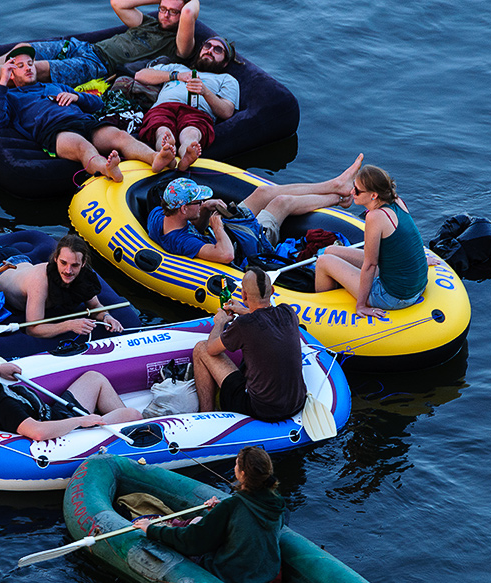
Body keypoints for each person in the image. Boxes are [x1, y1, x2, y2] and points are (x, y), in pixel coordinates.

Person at [0, 45, 176, 181]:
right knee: (83, 147)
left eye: (30, 63)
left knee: (120, 136)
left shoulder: (55, 85)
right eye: (20, 66)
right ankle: (107, 169)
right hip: (54, 131)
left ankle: (156, 158)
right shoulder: (10, 96)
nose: (28, 68)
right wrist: (2, 81)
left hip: (83, 121)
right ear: (11, 73)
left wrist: (77, 97)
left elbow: (97, 103)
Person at [0, 0, 200, 96]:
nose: (166, 15)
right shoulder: (149, 22)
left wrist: (183, 5)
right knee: (23, 50)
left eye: (172, 13)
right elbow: (118, 3)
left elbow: (189, 10)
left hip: (98, 66)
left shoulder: (178, 45)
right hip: (85, 48)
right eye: (163, 9)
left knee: (33, 67)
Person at [147, 155, 364, 265]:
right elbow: (226, 254)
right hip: (243, 244)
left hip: (223, 232)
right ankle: (338, 198)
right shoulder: (183, 242)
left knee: (262, 192)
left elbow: (191, 225)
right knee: (281, 202)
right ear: (183, 208)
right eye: (197, 202)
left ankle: (335, 185)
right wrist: (218, 227)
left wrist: (205, 212)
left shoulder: (159, 215)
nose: (203, 201)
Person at [133, 446, 286, 583]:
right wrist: (219, 514)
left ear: (243, 473)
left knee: (196, 522)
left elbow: (193, 540)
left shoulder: (232, 505)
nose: (235, 468)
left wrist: (152, 529)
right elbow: (246, 528)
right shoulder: (276, 503)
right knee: (199, 520)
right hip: (265, 573)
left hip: (232, 577)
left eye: (236, 464)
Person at [0, 342, 142, 440]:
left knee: (94, 378)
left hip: (53, 412)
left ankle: (113, 427)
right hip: (59, 427)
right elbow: (37, 432)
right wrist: (81, 421)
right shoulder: (3, 406)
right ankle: (136, 432)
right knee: (133, 414)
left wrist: (0, 371)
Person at [315, 165, 435, 318]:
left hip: (394, 297)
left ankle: (323, 309)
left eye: (357, 190)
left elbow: (370, 265)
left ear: (373, 196)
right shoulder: (397, 202)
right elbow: (406, 241)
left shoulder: (375, 217)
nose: (352, 192)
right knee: (330, 251)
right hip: (415, 285)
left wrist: (361, 305)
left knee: (323, 261)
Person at [191, 267, 307, 419]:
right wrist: (241, 309)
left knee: (201, 348)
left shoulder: (244, 325)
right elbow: (265, 316)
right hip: (295, 403)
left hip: (259, 408)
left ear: (243, 295)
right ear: (271, 291)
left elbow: (211, 349)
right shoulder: (287, 312)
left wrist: (219, 322)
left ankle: (205, 416)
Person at [134, 35, 241, 170]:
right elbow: (140, 75)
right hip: (164, 106)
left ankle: (187, 154)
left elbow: (227, 111)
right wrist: (176, 76)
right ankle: (166, 153)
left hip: (197, 112)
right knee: (162, 130)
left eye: (218, 50)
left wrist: (205, 92)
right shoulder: (177, 67)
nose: (210, 51)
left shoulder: (226, 79)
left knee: (191, 133)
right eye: (207, 46)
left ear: (225, 62)